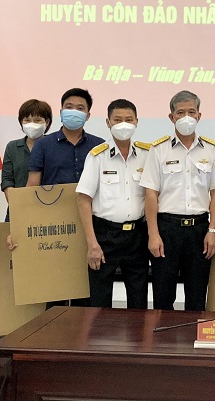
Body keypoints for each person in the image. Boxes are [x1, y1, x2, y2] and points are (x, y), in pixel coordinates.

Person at [140, 90, 215, 311]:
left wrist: (213, 231)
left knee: (197, 296)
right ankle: (162, 334)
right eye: (180, 113)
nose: (186, 117)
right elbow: (150, 193)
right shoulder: (158, 149)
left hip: (199, 230)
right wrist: (153, 234)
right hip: (167, 229)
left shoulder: (212, 149)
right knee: (163, 295)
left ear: (199, 116)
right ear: (171, 117)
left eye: (191, 112)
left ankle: (192, 334)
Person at [25, 88, 103, 305]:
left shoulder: (99, 145)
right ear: (60, 112)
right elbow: (31, 187)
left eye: (80, 108)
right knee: (55, 290)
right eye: (69, 107)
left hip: (90, 225)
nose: (74, 112)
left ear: (88, 115)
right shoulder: (43, 144)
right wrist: (20, 224)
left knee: (85, 290)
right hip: (53, 225)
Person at [77, 99, 150, 309]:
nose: (123, 124)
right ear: (108, 123)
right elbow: (83, 199)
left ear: (137, 122)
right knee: (99, 302)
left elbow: (153, 196)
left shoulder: (147, 155)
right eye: (117, 120)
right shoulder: (97, 156)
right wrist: (92, 244)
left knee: (138, 300)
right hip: (105, 235)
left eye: (129, 119)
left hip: (137, 236)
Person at [0, 98, 52, 222]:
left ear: (47, 122)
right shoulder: (12, 147)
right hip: (17, 209)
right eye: (27, 120)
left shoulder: (54, 145)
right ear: (21, 122)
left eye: (37, 120)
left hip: (49, 210)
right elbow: (7, 180)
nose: (32, 124)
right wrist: (16, 202)